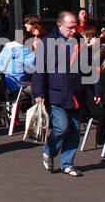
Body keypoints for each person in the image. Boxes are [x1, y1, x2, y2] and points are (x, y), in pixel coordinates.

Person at [33, 10, 84, 176]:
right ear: (60, 25)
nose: (74, 30)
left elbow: (90, 65)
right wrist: (38, 94)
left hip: (76, 91)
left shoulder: (79, 41)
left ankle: (67, 163)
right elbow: (39, 71)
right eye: (70, 27)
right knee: (61, 127)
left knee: (75, 129)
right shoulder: (48, 43)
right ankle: (50, 150)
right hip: (57, 92)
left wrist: (96, 88)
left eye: (75, 27)